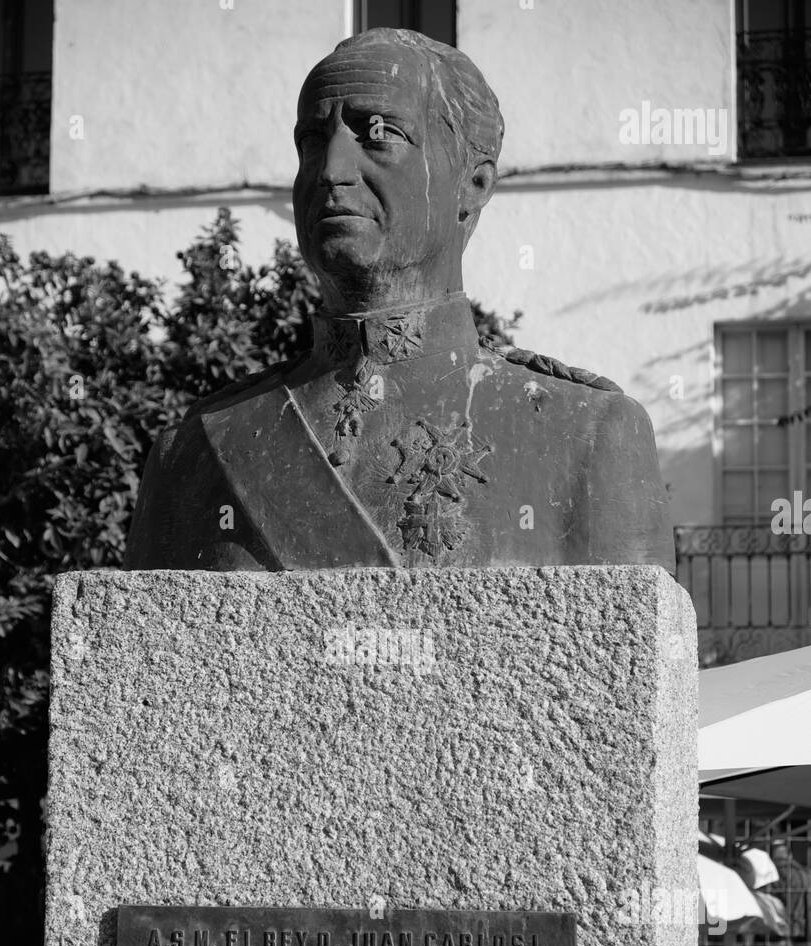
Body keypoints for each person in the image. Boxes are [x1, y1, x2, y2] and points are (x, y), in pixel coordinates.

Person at [125, 27, 674, 573]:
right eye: (312, 142)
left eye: (379, 133)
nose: (332, 171)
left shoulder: (587, 434)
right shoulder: (196, 448)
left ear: (474, 183)